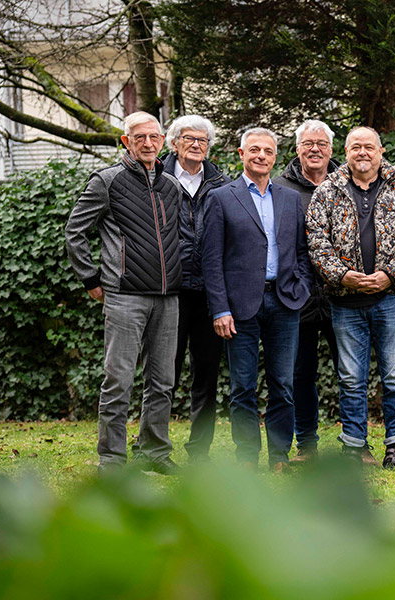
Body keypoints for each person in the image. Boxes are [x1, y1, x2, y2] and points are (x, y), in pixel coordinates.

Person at [65, 111, 183, 474]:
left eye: (154, 137)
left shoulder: (171, 185)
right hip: (124, 296)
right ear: (126, 142)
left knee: (162, 381)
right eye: (139, 137)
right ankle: (112, 460)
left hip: (167, 296)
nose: (148, 143)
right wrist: (91, 279)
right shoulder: (107, 181)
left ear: (162, 142)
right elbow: (75, 231)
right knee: (118, 380)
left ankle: (154, 453)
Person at [307, 126, 395, 469]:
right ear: (345, 152)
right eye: (355, 146)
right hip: (345, 300)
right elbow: (316, 240)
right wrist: (343, 276)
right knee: (351, 377)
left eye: (369, 147)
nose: (362, 152)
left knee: (394, 376)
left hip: (390, 298)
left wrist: (389, 275)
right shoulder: (328, 190)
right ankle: (354, 447)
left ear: (380, 150)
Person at [200, 127, 311, 471]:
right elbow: (211, 258)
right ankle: (247, 457)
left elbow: (303, 252)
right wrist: (219, 308)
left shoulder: (290, 198)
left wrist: (301, 286)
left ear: (275, 156)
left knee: (284, 385)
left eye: (267, 151)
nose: (261, 156)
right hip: (239, 307)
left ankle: (279, 456)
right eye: (254, 150)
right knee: (242, 387)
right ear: (241, 154)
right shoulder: (222, 197)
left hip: (284, 302)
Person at [273, 119, 341, 463]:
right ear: (297, 148)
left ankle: (356, 444)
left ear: (331, 149)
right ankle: (307, 444)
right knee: (300, 373)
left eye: (322, 143)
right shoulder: (278, 188)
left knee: (351, 370)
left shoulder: (347, 184)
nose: (315, 149)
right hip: (296, 297)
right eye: (308, 143)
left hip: (343, 295)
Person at [163, 114, 230, 463]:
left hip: (209, 291)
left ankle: (199, 450)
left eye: (202, 140)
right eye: (189, 139)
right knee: (164, 372)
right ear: (173, 143)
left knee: (206, 374)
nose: (196, 145)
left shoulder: (222, 182)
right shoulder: (155, 178)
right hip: (168, 289)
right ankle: (154, 445)